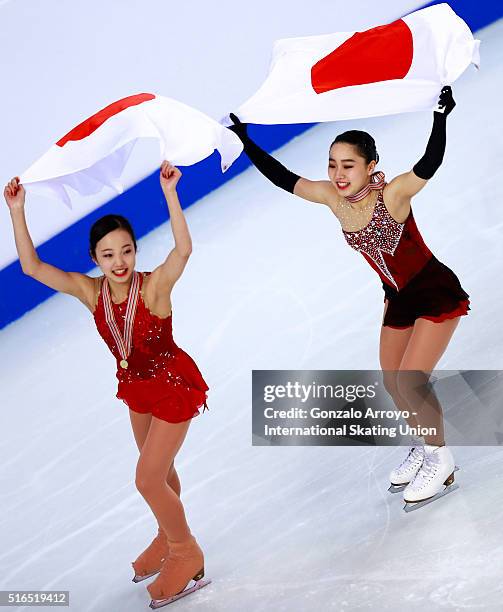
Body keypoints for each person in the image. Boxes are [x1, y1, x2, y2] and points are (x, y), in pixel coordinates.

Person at [228, 86, 469, 506]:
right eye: (333, 165)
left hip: (433, 292)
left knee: (411, 381)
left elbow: (428, 164)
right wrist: (247, 142)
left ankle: (440, 458)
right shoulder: (331, 199)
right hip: (397, 299)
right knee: (394, 383)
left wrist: (440, 117)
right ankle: (425, 444)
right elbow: (286, 179)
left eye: (349, 166)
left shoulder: (391, 195)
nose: (339, 174)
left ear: (370, 165)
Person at [5, 161, 210, 603]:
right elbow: (31, 266)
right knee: (162, 472)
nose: (119, 262)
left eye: (127, 251)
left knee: (148, 479)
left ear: (136, 250)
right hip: (137, 391)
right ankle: (166, 532)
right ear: (95, 259)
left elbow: (183, 251)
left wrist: (171, 195)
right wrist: (17, 210)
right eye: (108, 254)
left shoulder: (154, 287)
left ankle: (185, 550)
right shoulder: (90, 292)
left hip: (172, 387)